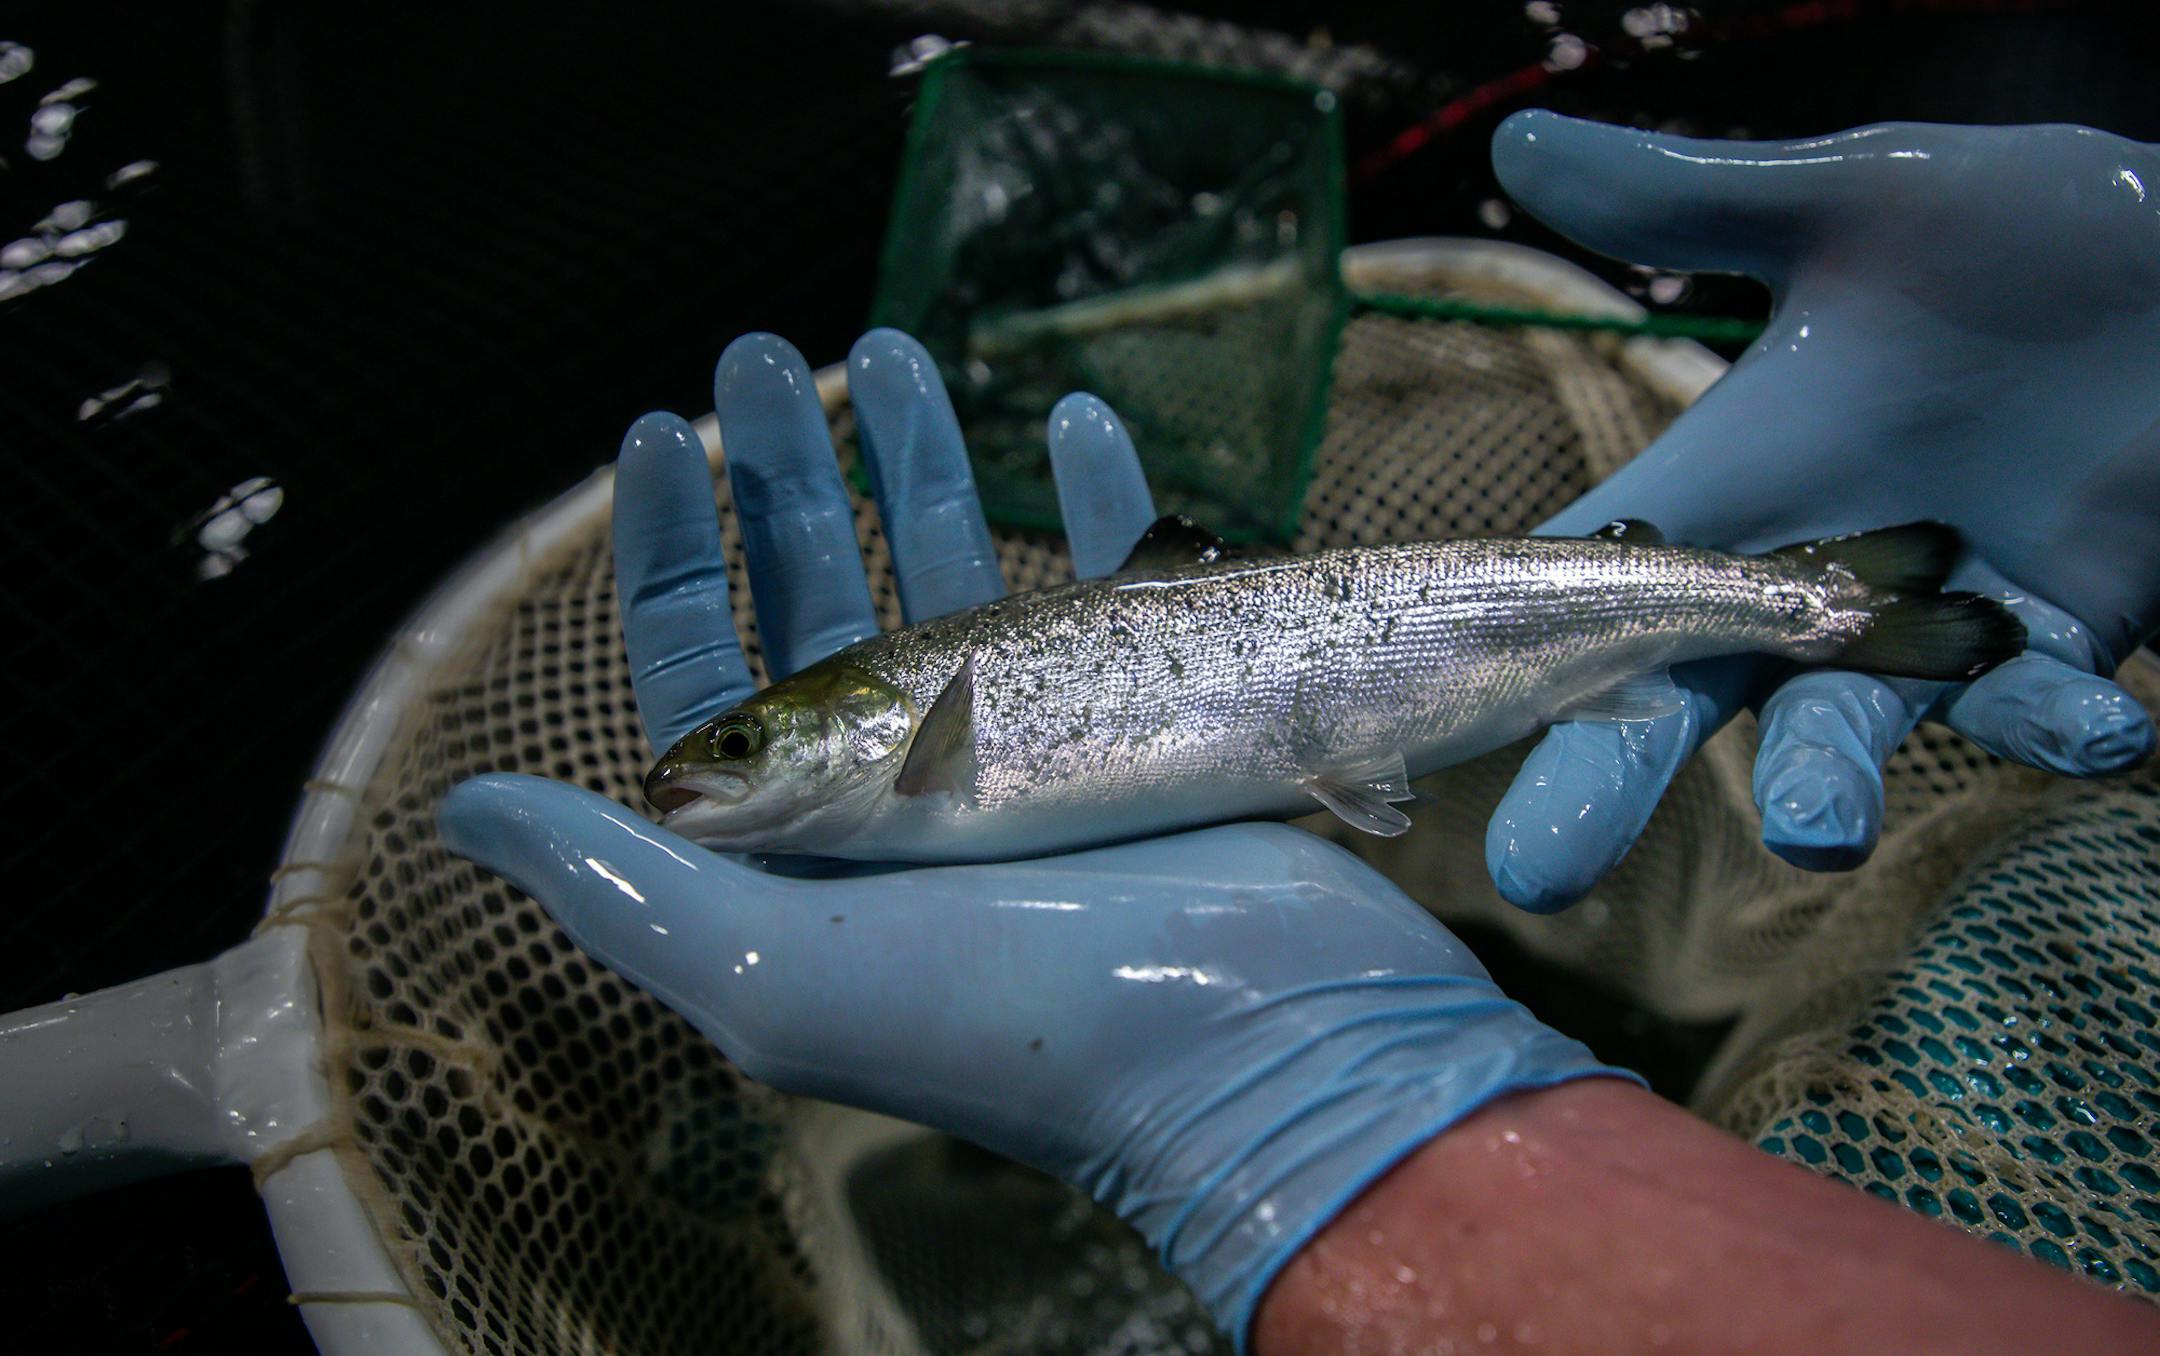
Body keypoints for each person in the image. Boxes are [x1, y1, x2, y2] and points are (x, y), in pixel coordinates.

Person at [439, 112, 2160, 1353]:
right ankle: (1815, 599)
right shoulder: (895, 764)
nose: (700, 783)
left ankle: (1815, 599)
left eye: (737, 753)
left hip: (1445, 644)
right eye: (724, 762)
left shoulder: (919, 759)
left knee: (1723, 628)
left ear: (852, 725)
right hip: (1390, 671)